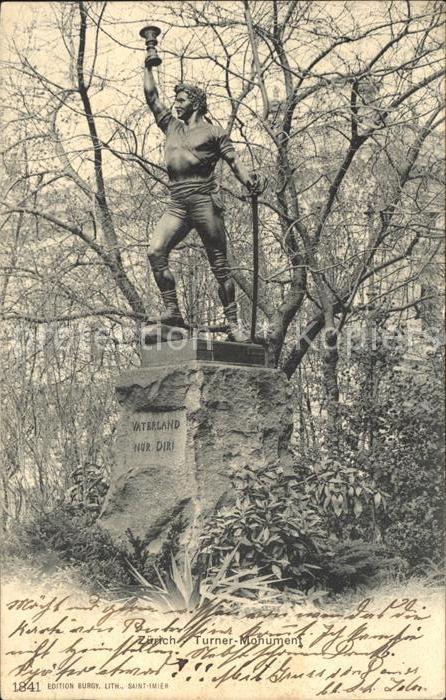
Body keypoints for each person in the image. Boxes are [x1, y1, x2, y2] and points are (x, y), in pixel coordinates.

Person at [143, 62, 259, 341]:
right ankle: (173, 313)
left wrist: (249, 181)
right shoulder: (171, 126)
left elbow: (234, 161)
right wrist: (148, 65)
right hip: (178, 202)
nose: (175, 105)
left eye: (181, 100)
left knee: (219, 265)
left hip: (204, 200)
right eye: (175, 100)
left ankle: (233, 324)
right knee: (155, 252)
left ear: (195, 103)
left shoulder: (214, 132)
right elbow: (152, 98)